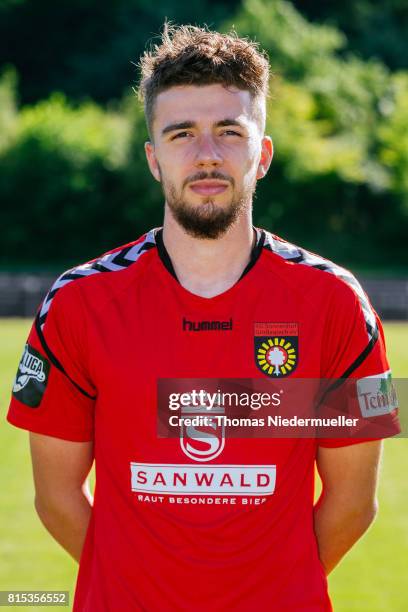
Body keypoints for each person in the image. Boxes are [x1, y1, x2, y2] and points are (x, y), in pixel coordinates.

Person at [7, 24, 399, 611]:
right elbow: (56, 496)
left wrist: (270, 587)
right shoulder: (78, 303)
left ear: (261, 154)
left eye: (229, 132)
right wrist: (137, 586)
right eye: (182, 133)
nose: (207, 154)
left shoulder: (336, 303)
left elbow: (353, 503)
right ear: (153, 158)